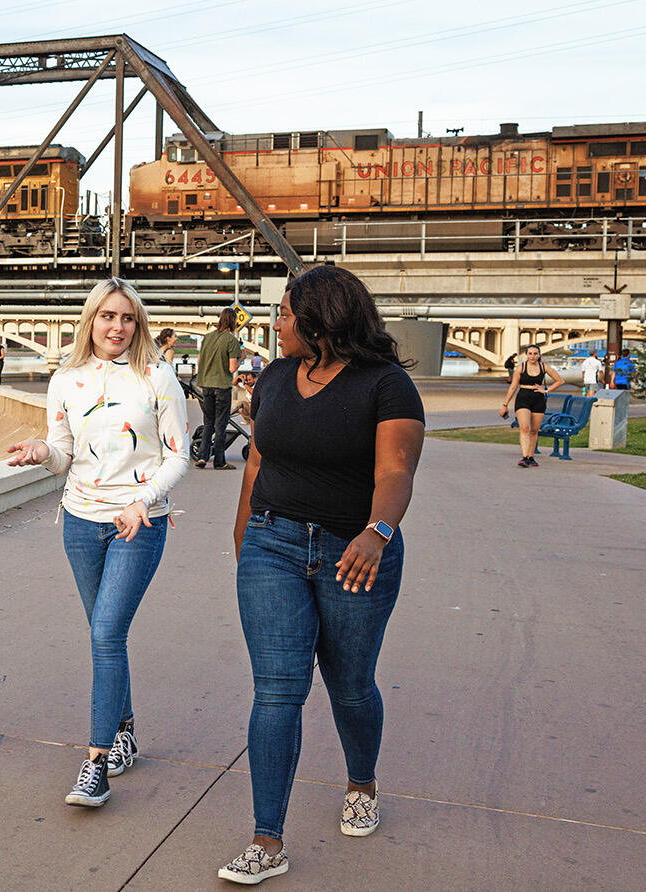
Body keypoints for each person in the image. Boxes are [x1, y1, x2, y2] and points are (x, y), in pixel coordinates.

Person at [220, 265, 425, 885]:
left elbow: (395, 474)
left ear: (321, 320)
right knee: (277, 690)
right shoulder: (277, 378)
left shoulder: (386, 386)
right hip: (273, 546)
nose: (276, 322)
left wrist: (378, 531)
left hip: (353, 554)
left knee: (351, 684)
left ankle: (361, 780)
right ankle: (267, 839)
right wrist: (244, 537)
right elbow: (257, 463)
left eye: (286, 313)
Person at [6, 278, 190, 808]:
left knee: (106, 633)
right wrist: (41, 451)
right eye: (108, 316)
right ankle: (126, 726)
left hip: (139, 522)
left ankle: (96, 763)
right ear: (91, 320)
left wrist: (144, 499)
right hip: (80, 521)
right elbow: (64, 451)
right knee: (104, 634)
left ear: (140, 324)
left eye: (128, 318)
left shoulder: (158, 377)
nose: (118, 327)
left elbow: (179, 455)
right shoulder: (66, 380)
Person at [194, 308, 247, 469]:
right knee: (221, 425)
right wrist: (241, 359)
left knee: (208, 423)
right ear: (233, 321)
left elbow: (199, 361)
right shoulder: (231, 340)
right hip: (222, 386)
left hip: (206, 386)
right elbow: (232, 368)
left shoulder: (207, 338)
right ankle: (219, 461)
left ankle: (202, 458)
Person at [500, 344, 564, 468]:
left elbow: (560, 381)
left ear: (539, 354)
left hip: (538, 399)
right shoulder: (521, 367)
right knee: (525, 428)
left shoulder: (543, 367)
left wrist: (546, 390)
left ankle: (530, 457)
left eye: (535, 353)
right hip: (523, 398)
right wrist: (505, 404)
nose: (533, 356)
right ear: (526, 355)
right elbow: (513, 386)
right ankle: (524, 457)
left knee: (534, 431)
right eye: (530, 354)